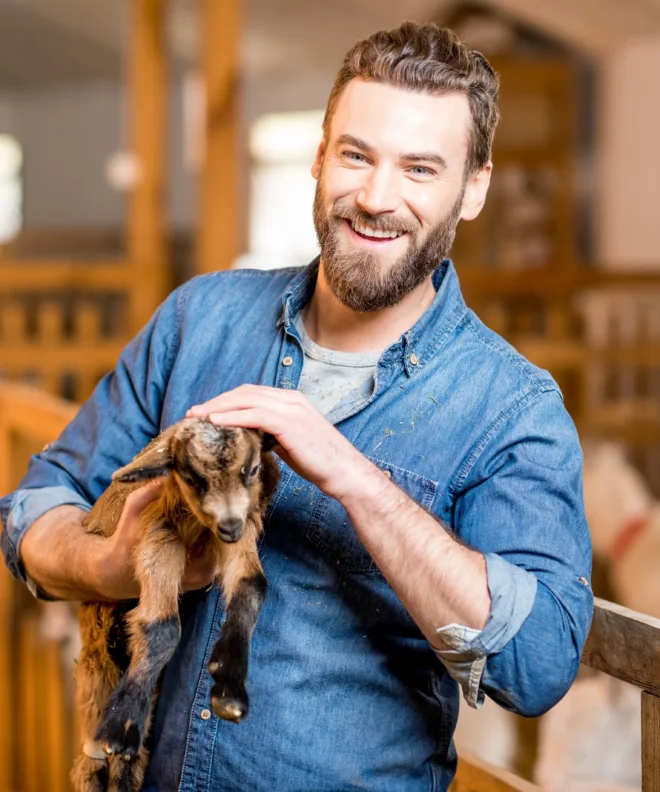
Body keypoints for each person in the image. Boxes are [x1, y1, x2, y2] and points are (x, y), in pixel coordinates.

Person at [0, 21, 593, 792]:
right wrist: (107, 565)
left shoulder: (514, 409)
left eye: (420, 168)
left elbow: (540, 663)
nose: (377, 197)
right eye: (356, 155)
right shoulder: (198, 318)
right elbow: (35, 505)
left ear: (472, 187)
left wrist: (354, 478)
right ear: (320, 155)